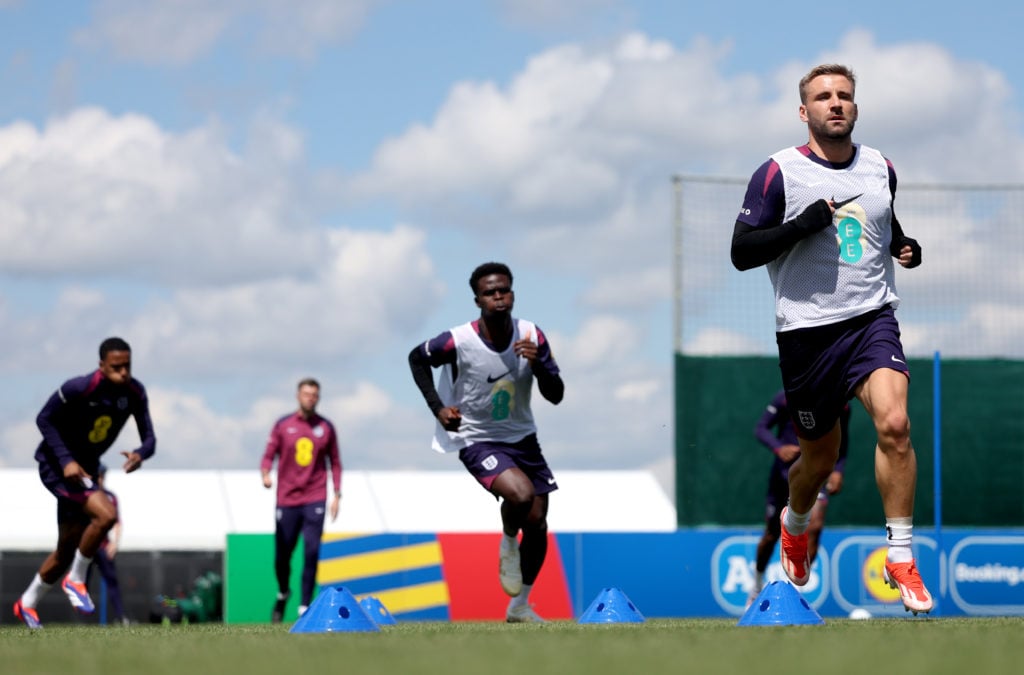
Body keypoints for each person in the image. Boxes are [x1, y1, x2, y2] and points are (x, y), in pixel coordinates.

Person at [730, 63, 932, 614]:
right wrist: (801, 225)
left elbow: (883, 227)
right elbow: (741, 252)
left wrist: (904, 245)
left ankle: (901, 556)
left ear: (856, 108)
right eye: (823, 97)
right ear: (805, 112)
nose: (835, 103)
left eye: (844, 95)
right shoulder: (778, 173)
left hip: (871, 319)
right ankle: (796, 526)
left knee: (895, 424)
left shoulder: (880, 167)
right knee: (819, 460)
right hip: (806, 335)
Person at [408, 262, 565, 624]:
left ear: (513, 293)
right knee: (521, 496)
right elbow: (417, 358)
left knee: (539, 523)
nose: (498, 297)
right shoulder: (458, 340)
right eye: (490, 292)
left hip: (523, 438)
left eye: (504, 290)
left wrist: (539, 363)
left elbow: (556, 395)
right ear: (477, 299)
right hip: (477, 438)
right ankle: (508, 538)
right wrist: (438, 408)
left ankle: (520, 606)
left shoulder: (531, 335)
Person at [13, 337, 156, 629]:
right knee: (107, 515)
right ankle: (76, 580)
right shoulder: (79, 387)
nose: (124, 372)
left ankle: (26, 603)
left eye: (127, 365)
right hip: (56, 465)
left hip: (86, 468)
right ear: (102, 365)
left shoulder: (134, 392)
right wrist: (66, 460)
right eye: (117, 367)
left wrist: (140, 454)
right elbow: (44, 419)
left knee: (66, 548)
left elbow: (150, 439)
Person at [747, 390, 850, 607]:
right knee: (771, 535)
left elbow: (843, 440)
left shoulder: (841, 404)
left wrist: (838, 469)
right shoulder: (785, 398)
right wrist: (778, 448)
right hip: (783, 477)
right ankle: (756, 587)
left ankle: (791, 591)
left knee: (815, 527)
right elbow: (760, 428)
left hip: (815, 476)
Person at [261, 378, 341, 622]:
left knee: (312, 551)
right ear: (298, 396)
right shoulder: (283, 425)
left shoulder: (326, 428)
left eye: (314, 395)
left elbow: (335, 463)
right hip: (286, 498)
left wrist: (337, 494)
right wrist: (265, 474)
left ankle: (304, 608)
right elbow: (268, 456)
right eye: (306, 394)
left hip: (314, 497)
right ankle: (284, 592)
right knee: (282, 557)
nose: (310, 398)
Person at [84, 464, 129, 625]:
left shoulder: (110, 497)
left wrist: (115, 543)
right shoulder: (84, 496)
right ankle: (83, 619)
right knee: (81, 584)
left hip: (103, 546)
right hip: (87, 547)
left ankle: (120, 617)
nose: (100, 479)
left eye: (102, 476)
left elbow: (117, 522)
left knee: (112, 582)